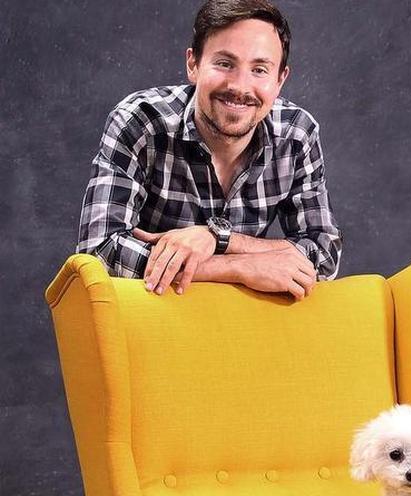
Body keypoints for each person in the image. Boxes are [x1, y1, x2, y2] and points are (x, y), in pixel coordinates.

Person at [77, 0, 341, 301]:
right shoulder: (141, 121)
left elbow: (324, 252)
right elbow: (98, 251)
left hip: (239, 327)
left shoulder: (297, 134)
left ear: (280, 80)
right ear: (193, 65)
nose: (240, 86)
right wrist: (237, 268)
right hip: (154, 319)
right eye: (225, 63)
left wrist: (217, 237)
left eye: (259, 69)